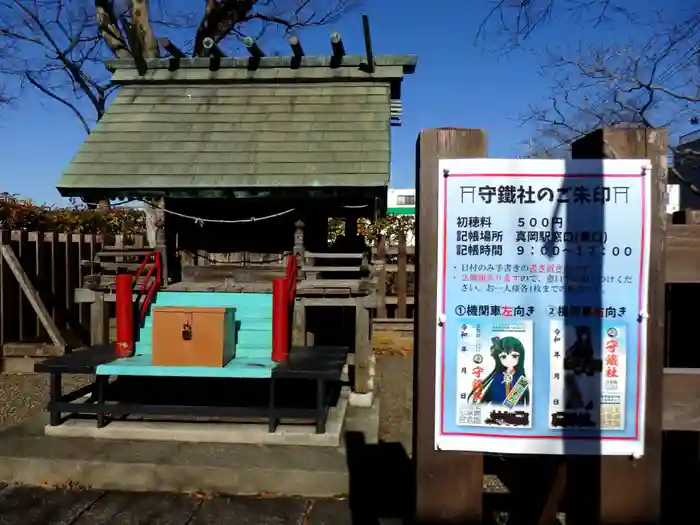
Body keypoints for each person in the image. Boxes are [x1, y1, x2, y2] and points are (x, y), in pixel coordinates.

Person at [468, 336, 529, 406]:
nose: (509, 360)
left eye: (514, 356)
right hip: (496, 412)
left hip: (514, 413)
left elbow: (525, 402)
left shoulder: (522, 379)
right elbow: (488, 395)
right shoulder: (498, 376)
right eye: (503, 357)